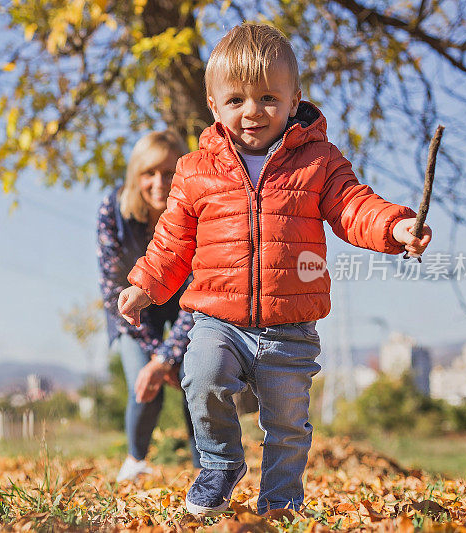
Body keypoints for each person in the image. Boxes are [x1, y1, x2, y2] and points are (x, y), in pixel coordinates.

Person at [118, 23, 432, 514]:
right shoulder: (195, 170)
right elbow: (172, 240)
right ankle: (220, 461)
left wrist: (395, 228)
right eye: (236, 99)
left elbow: (353, 206)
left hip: (290, 325)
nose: (252, 112)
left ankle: (280, 503)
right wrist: (143, 284)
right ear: (213, 104)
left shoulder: (319, 162)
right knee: (200, 377)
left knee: (286, 422)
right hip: (217, 319)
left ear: (294, 100)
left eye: (268, 97)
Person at [97, 130, 202, 483]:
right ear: (136, 175)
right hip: (134, 312)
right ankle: (135, 461)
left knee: (196, 377)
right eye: (149, 173)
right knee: (144, 383)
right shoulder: (113, 211)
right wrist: (156, 361)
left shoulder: (200, 213)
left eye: (170, 173)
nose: (160, 183)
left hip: (188, 304)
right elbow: (113, 289)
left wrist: (169, 356)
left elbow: (201, 291)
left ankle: (207, 470)